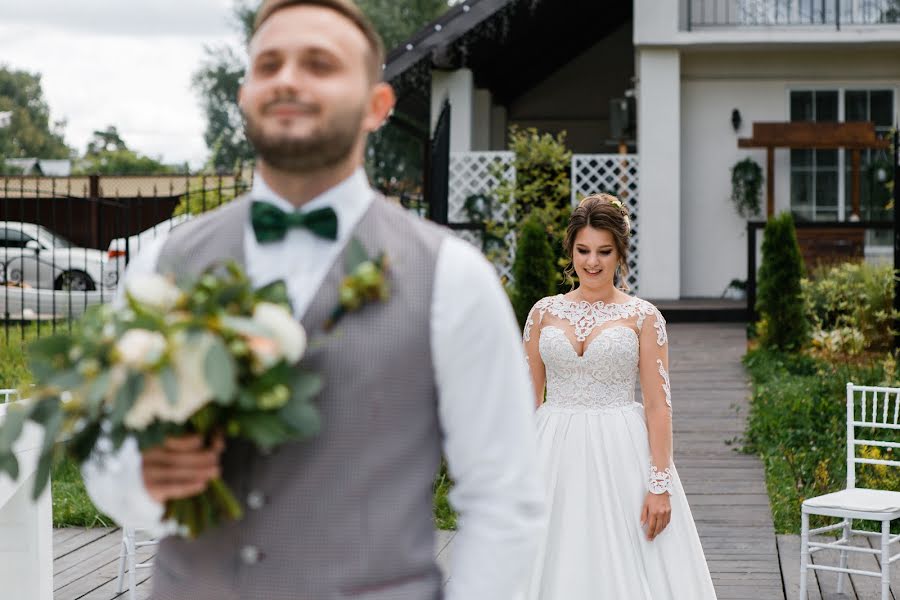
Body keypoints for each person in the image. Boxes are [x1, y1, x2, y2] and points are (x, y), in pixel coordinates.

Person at [82, 2, 545, 599]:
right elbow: (109, 457)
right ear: (246, 94)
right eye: (269, 64)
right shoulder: (161, 268)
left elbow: (503, 499)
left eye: (319, 64)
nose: (289, 80)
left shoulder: (453, 278)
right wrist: (144, 481)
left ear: (377, 105)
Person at [523, 194, 717, 599]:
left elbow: (657, 404)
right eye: (583, 250)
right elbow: (527, 401)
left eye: (604, 251)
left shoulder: (644, 317)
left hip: (620, 454)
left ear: (620, 254)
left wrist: (660, 484)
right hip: (552, 456)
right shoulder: (542, 313)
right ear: (571, 251)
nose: (592, 262)